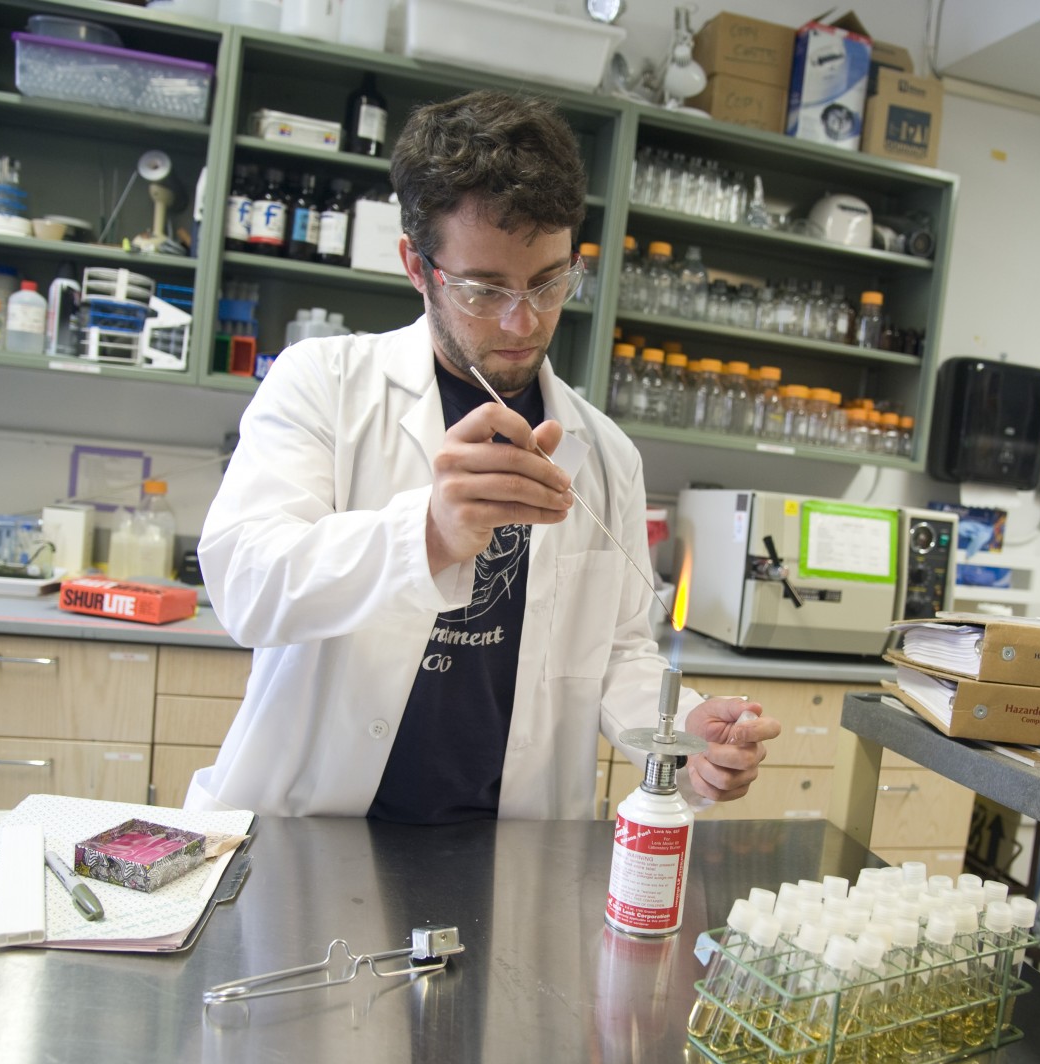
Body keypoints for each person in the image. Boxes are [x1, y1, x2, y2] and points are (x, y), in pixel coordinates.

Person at [186, 90, 781, 822]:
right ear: (416, 265)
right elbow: (245, 586)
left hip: (507, 851)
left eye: (548, 282)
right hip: (313, 832)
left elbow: (617, 650)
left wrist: (685, 736)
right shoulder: (325, 385)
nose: (521, 321)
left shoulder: (605, 453)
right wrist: (428, 535)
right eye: (483, 288)